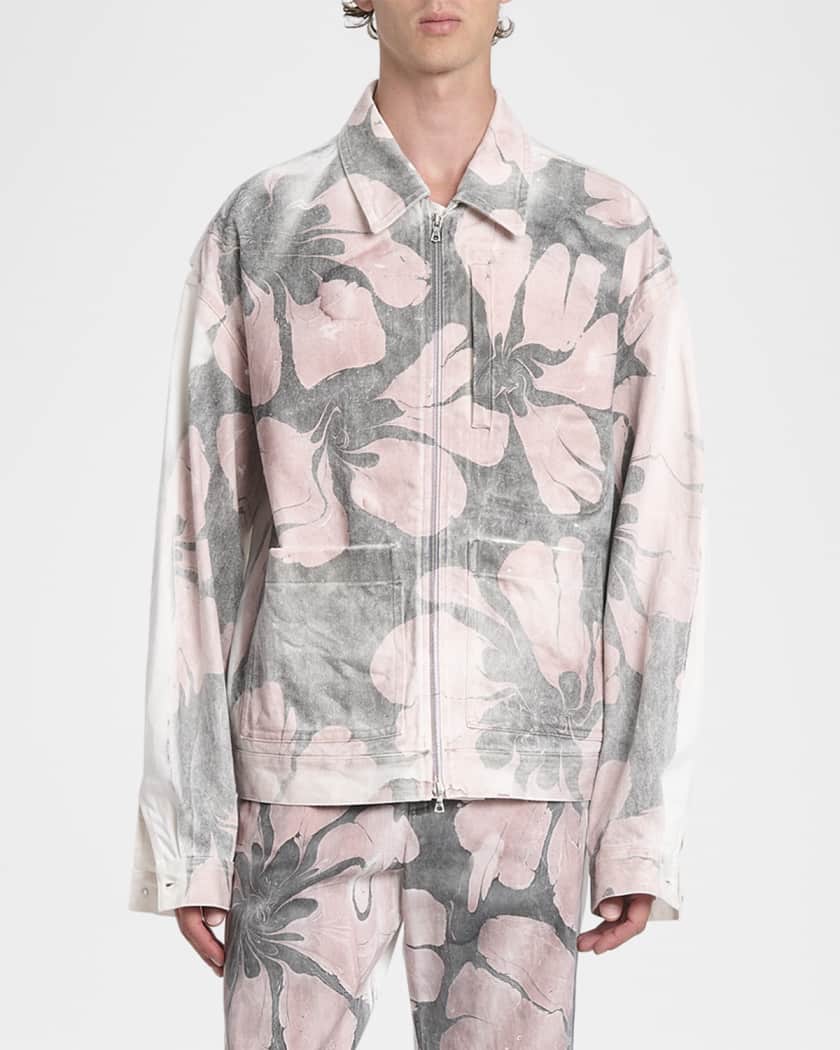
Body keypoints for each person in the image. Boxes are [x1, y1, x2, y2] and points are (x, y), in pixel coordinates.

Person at [128, 2, 707, 1047]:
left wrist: (639, 823)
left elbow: (658, 539)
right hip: (302, 774)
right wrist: (193, 834)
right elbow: (199, 539)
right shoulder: (265, 229)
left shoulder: (606, 233)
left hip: (522, 784)